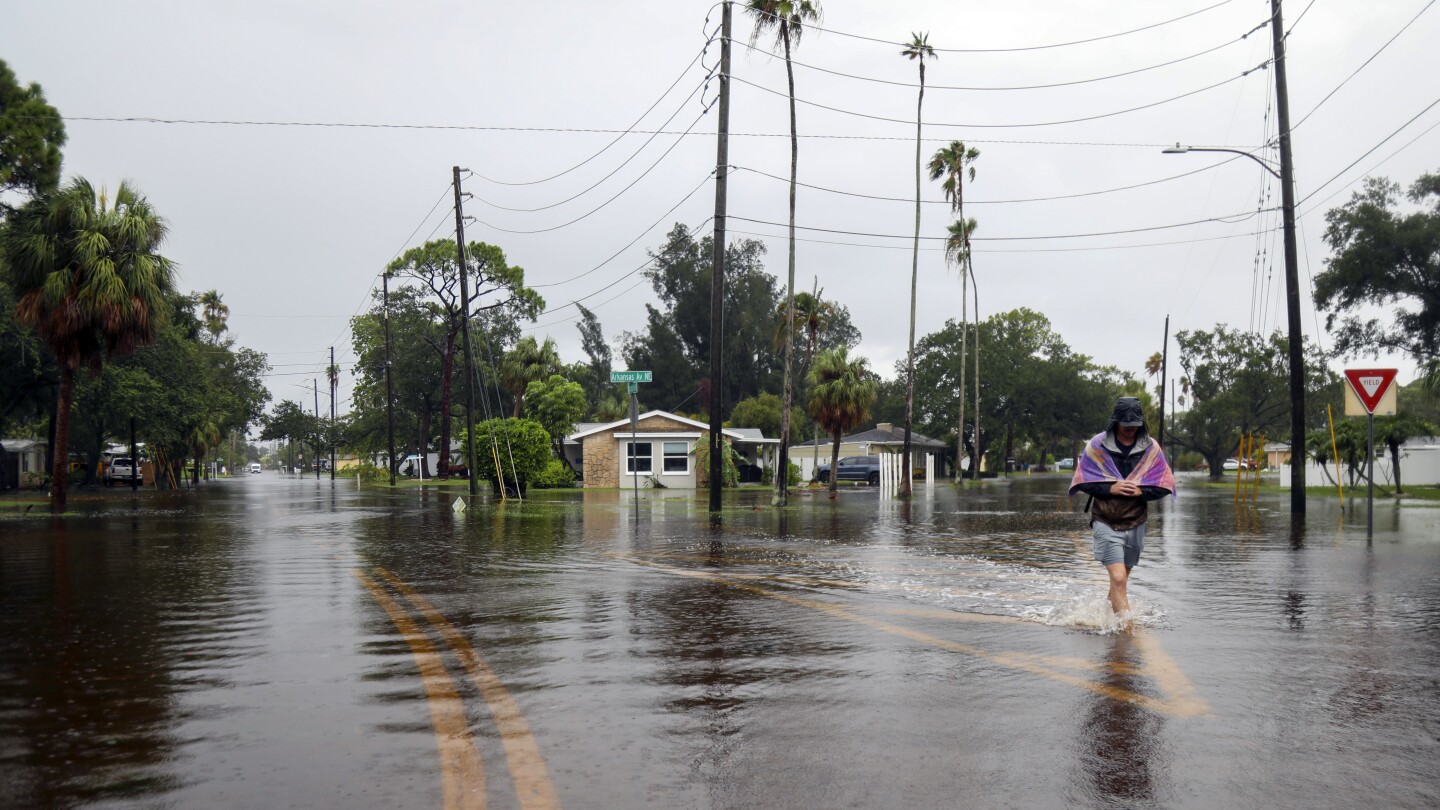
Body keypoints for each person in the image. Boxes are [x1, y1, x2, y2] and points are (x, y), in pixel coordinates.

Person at [1068, 397, 1176, 622]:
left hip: (1136, 522)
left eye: (1134, 426)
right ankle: (1126, 632)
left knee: (1121, 581)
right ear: (1115, 423)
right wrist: (1112, 488)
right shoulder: (1097, 446)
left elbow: (1165, 484)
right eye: (1125, 426)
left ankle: (1106, 622)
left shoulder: (1150, 448)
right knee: (1118, 579)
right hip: (1105, 520)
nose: (1130, 430)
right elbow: (1083, 482)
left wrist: (1142, 492)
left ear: (1141, 424)